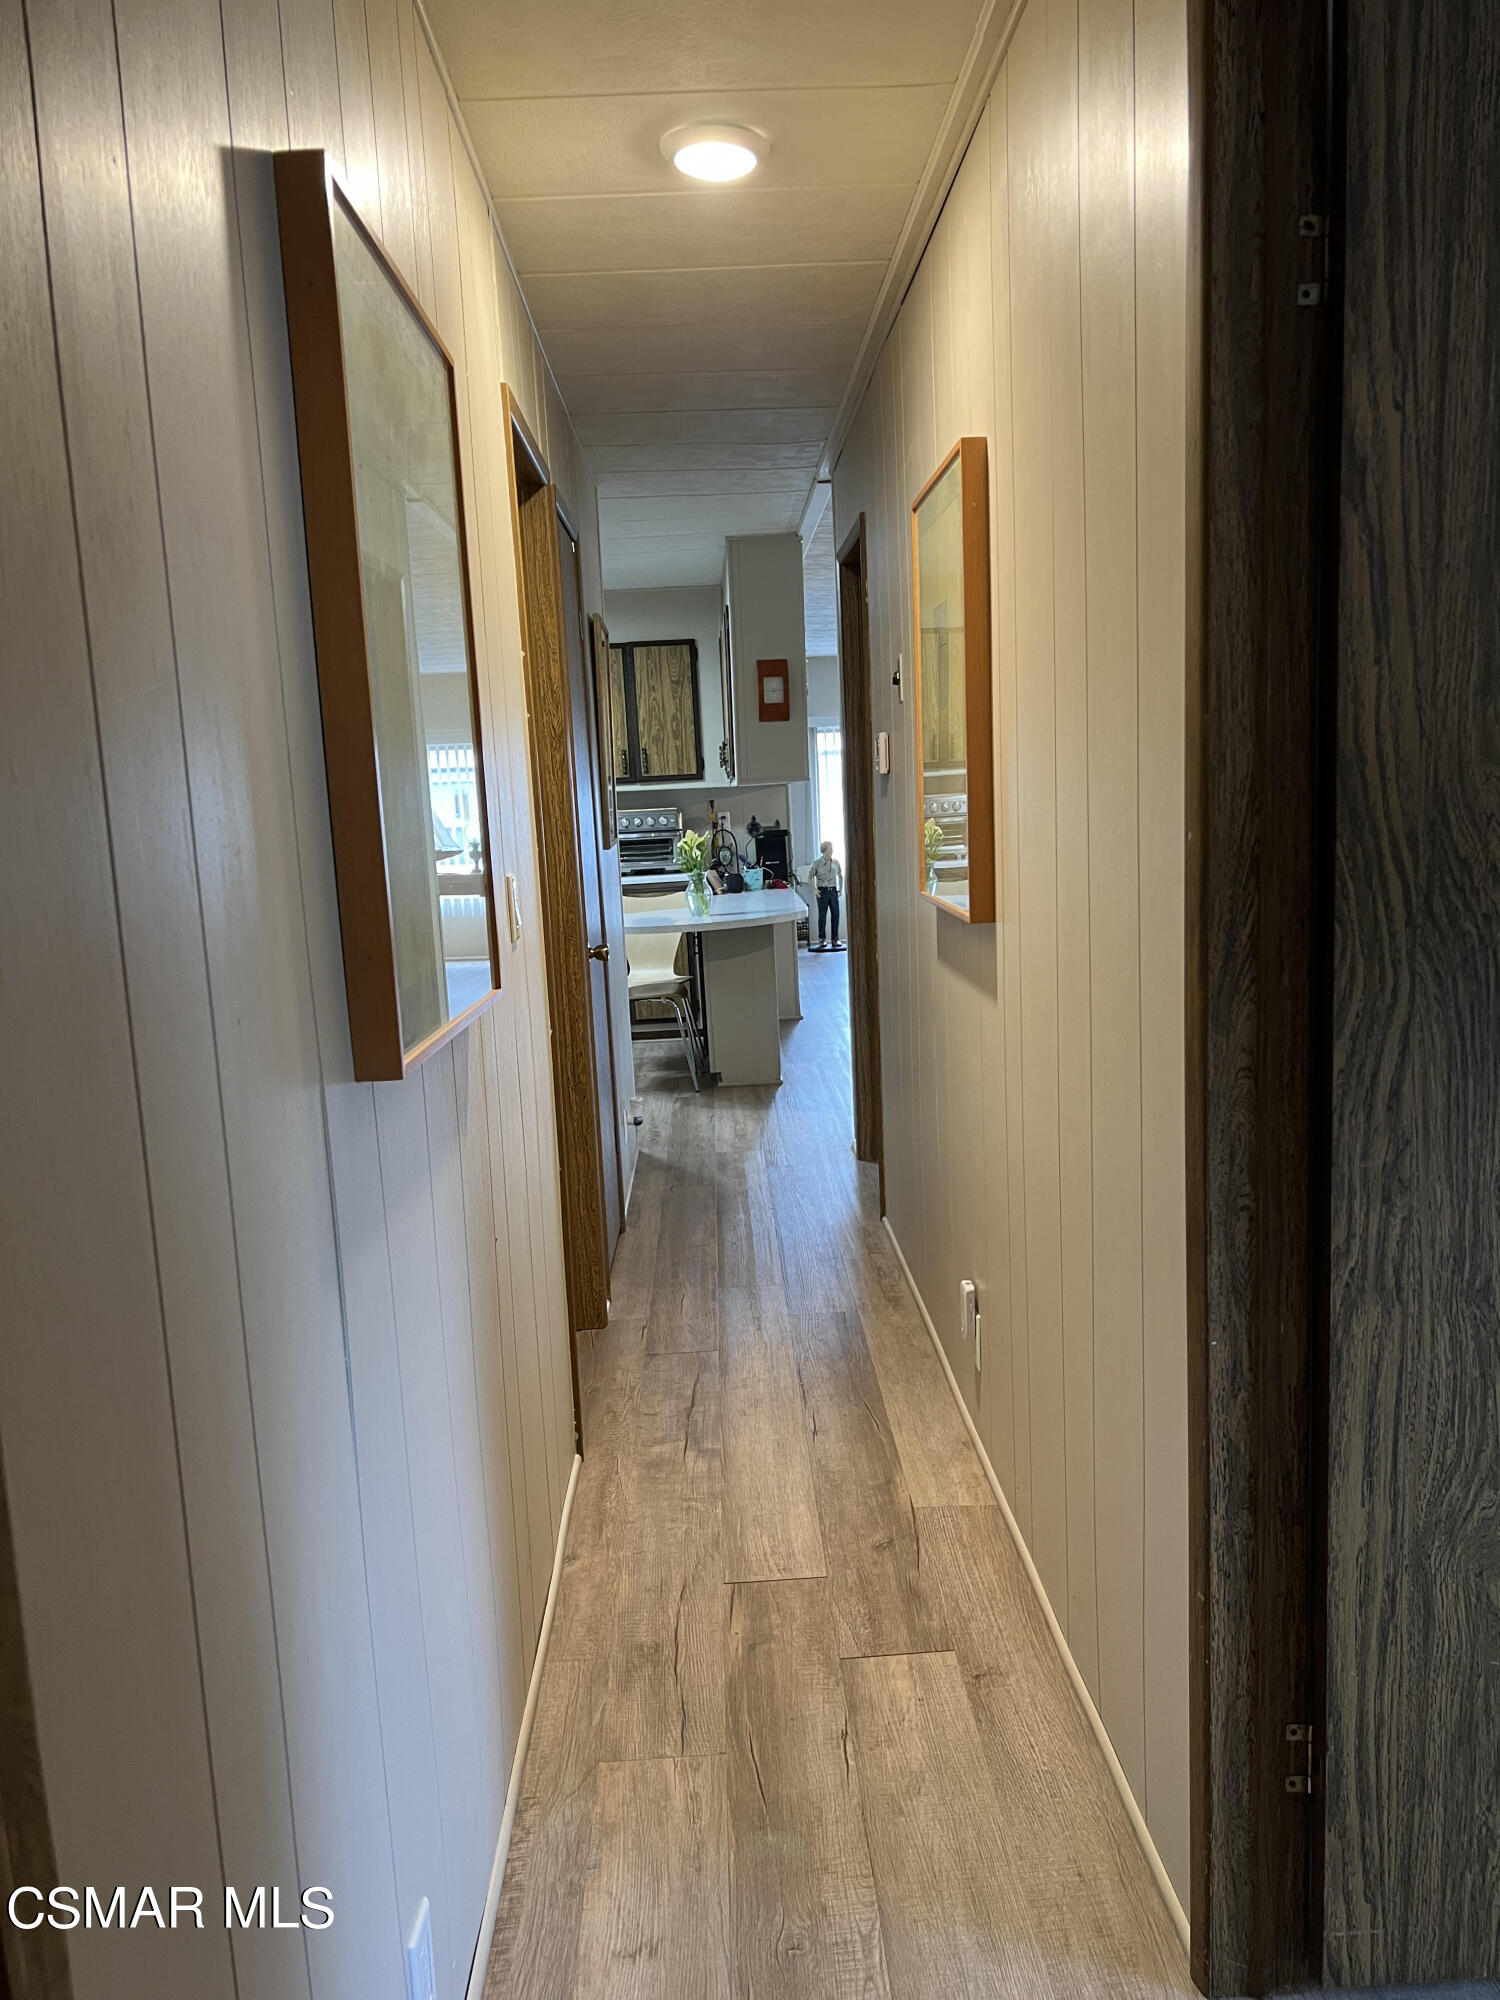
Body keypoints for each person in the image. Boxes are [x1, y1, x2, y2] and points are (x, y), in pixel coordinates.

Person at [808, 840, 844, 951]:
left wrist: (840, 889)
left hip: (833, 891)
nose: (831, 851)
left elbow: (840, 875)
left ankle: (835, 939)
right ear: (824, 850)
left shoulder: (836, 863)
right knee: (822, 916)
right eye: (829, 849)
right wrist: (814, 890)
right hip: (822, 891)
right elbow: (810, 877)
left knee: (836, 915)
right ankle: (822, 939)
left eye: (832, 849)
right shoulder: (817, 863)